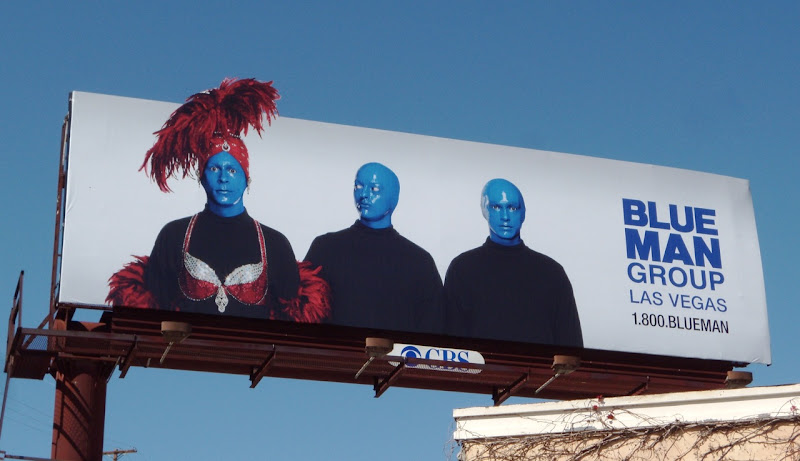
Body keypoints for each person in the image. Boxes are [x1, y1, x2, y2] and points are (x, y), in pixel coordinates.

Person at [107, 78, 329, 322]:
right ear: (201, 177)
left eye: (232, 170)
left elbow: (294, 321)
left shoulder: (275, 243)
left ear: (246, 178)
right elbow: (150, 312)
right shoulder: (174, 235)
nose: (223, 178)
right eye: (214, 169)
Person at [304, 162, 444, 333]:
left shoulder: (419, 262)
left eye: (374, 189)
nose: (363, 195)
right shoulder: (325, 248)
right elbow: (303, 316)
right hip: (335, 350)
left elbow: (433, 332)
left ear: (394, 197)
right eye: (358, 186)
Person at [444, 178, 583, 347]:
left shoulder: (552, 273)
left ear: (523, 213)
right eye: (496, 207)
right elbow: (451, 347)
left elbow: (571, 348)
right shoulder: (463, 269)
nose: (505, 217)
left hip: (540, 365)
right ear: (484, 210)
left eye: (512, 208)